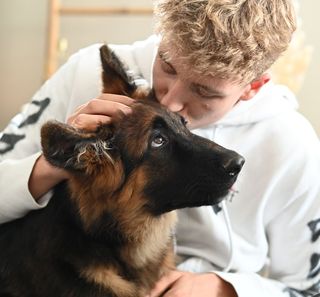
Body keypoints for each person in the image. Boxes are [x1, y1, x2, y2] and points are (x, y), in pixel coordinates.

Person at [1, 0, 320, 296]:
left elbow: (309, 287)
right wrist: (54, 164)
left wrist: (228, 288)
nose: (169, 102)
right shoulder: (86, 72)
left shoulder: (292, 146)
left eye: (204, 92)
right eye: (167, 66)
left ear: (253, 86)